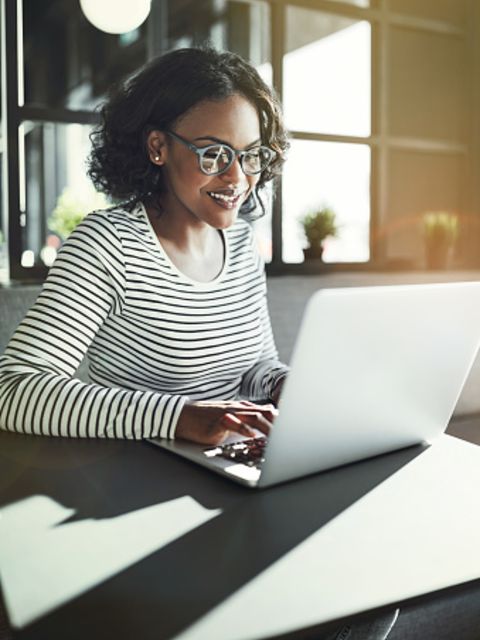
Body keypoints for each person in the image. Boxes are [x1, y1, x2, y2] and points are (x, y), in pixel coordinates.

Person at [0, 47, 289, 444]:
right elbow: (15, 389)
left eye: (249, 155)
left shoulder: (241, 244)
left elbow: (255, 365)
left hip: (229, 463)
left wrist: (283, 385)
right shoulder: (106, 245)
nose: (236, 178)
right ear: (158, 147)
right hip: (131, 477)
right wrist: (179, 418)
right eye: (214, 155)